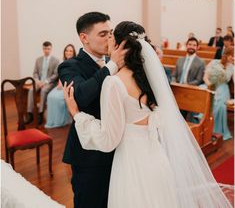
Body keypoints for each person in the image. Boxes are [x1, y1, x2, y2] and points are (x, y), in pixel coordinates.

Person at [63, 21, 232, 208]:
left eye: (111, 36)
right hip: (157, 160)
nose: (108, 41)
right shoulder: (149, 79)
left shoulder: (114, 82)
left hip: (132, 164)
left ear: (119, 46)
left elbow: (109, 139)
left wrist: (77, 114)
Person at [58, 12, 127, 208]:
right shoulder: (69, 66)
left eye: (110, 33)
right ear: (84, 38)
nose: (109, 38)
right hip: (90, 154)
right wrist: (112, 65)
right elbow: (80, 95)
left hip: (119, 149)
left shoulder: (117, 65)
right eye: (103, 34)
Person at [203, 46, 234, 140]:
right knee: (205, 101)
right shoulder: (214, 62)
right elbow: (205, 76)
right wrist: (210, 86)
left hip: (223, 89)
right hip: (210, 86)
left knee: (219, 106)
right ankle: (203, 128)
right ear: (226, 54)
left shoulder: (232, 68)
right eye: (231, 55)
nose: (233, 57)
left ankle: (214, 131)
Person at [25, 41, 60, 125]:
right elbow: (35, 73)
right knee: (30, 90)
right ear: (42, 49)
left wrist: (45, 82)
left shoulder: (56, 60)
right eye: (45, 48)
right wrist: (37, 81)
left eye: (48, 48)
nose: (46, 50)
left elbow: (56, 74)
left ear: (51, 49)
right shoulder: (38, 60)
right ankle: (30, 114)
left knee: (43, 91)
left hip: (50, 83)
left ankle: (40, 113)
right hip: (39, 82)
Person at [45, 44, 76, 128]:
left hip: (69, 85)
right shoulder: (62, 63)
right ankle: (52, 120)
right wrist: (59, 84)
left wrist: (64, 86)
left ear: (73, 53)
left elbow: (74, 77)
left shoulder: (75, 62)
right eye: (67, 50)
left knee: (58, 98)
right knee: (50, 96)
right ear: (64, 52)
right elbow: (60, 76)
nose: (68, 52)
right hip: (61, 84)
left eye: (70, 51)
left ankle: (61, 120)